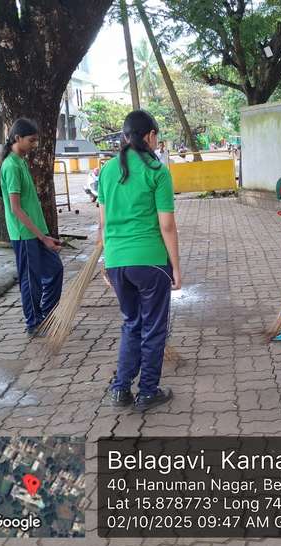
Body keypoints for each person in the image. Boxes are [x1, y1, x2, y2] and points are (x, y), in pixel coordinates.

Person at [98, 110, 182, 412]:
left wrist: (108, 260)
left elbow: (103, 222)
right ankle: (148, 391)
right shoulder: (157, 171)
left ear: (124, 137)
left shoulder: (107, 170)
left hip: (117, 261)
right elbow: (167, 226)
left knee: (131, 323)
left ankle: (120, 388)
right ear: (150, 136)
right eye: (156, 136)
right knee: (153, 329)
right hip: (149, 260)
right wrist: (176, 267)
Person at [0, 118, 63, 335]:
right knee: (30, 280)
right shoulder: (11, 166)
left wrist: (44, 234)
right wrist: (42, 238)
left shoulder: (21, 161)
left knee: (55, 270)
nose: (35, 145)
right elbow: (15, 208)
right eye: (31, 141)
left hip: (36, 231)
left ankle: (46, 315)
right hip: (24, 234)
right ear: (17, 139)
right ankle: (33, 322)